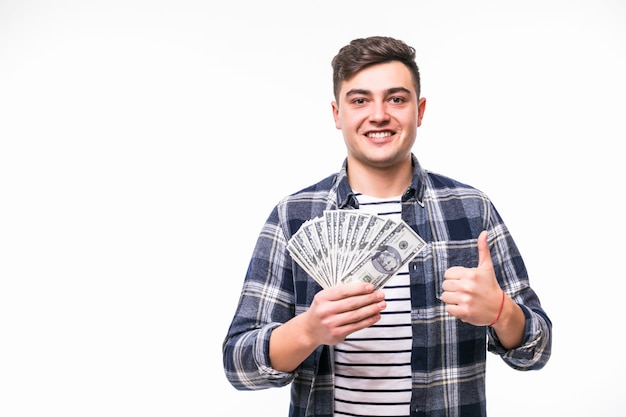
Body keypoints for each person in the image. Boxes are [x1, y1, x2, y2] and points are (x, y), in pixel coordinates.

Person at [222, 35, 552, 417]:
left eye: (396, 99)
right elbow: (238, 365)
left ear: (419, 110)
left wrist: (501, 312)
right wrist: (308, 331)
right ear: (337, 114)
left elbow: (537, 351)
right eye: (360, 100)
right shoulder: (293, 217)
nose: (378, 114)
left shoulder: (472, 211)